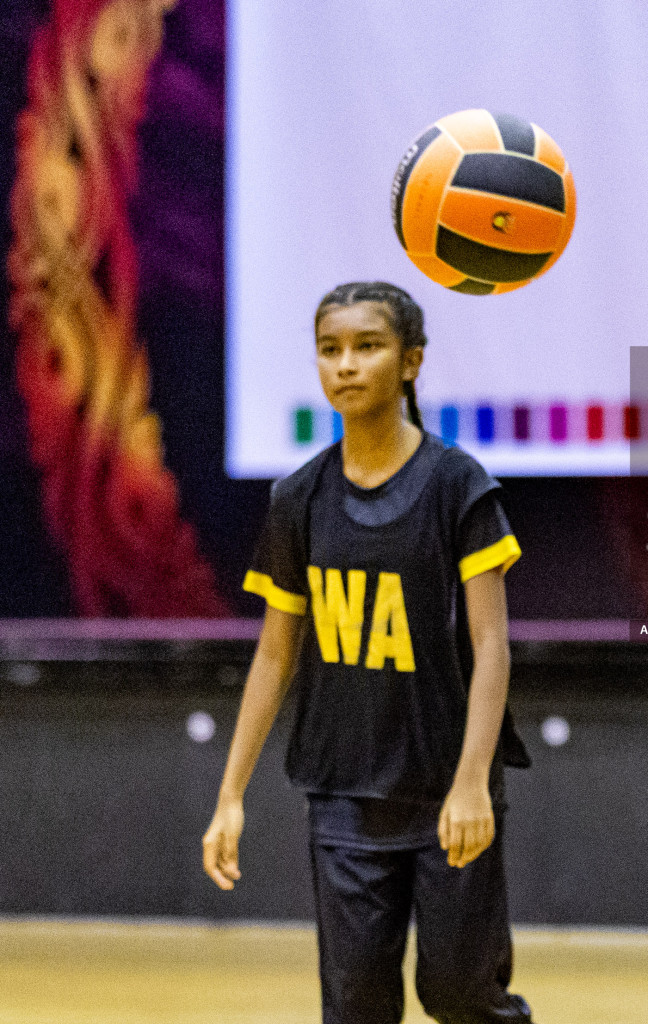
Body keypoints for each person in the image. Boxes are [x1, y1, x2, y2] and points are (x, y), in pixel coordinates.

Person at [201, 282, 535, 1024]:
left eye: (367, 346)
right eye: (330, 350)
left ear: (411, 361)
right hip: (344, 795)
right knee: (355, 1008)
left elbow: (491, 645)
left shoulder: (458, 486)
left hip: (447, 788)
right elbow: (273, 656)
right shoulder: (299, 498)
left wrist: (474, 782)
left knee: (458, 993)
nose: (346, 365)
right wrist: (230, 796)